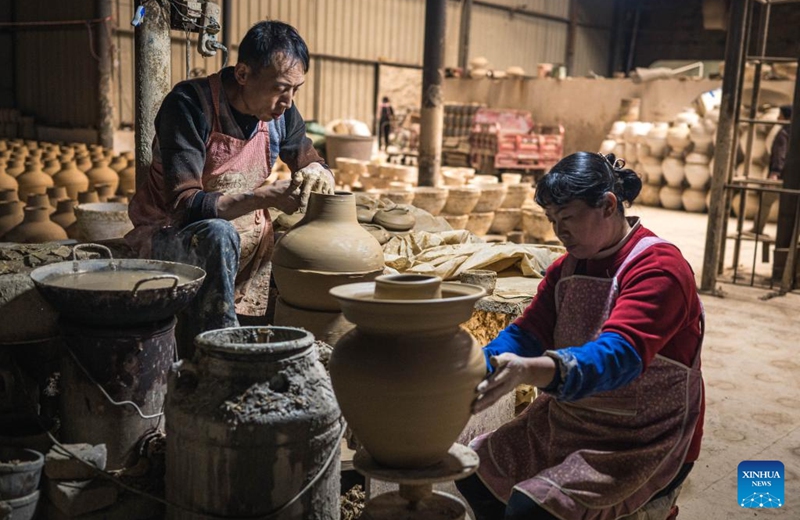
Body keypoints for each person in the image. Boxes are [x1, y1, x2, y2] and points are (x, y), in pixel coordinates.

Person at [456, 152, 705, 520]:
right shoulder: (565, 269)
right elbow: (528, 333)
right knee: (475, 471)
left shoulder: (659, 270)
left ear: (607, 205)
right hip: (572, 420)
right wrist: (479, 364)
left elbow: (617, 356)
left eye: (568, 217)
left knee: (532, 508)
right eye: (552, 220)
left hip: (641, 438)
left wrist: (533, 371)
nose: (560, 231)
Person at [127, 21, 334, 342]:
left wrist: (320, 171)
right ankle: (220, 352)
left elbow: (309, 160)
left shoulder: (281, 114)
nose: (289, 101)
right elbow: (186, 205)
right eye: (281, 87)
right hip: (172, 237)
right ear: (243, 74)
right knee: (219, 234)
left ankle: (263, 339)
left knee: (302, 250)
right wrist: (264, 198)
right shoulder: (188, 106)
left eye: (297, 89)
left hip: (247, 243)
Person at [748, 104, 792, 236]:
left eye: (780, 115)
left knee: (766, 202)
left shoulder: (783, 133)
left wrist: (775, 173)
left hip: (779, 175)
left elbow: (780, 154)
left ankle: (757, 229)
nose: (778, 117)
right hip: (791, 176)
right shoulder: (793, 131)